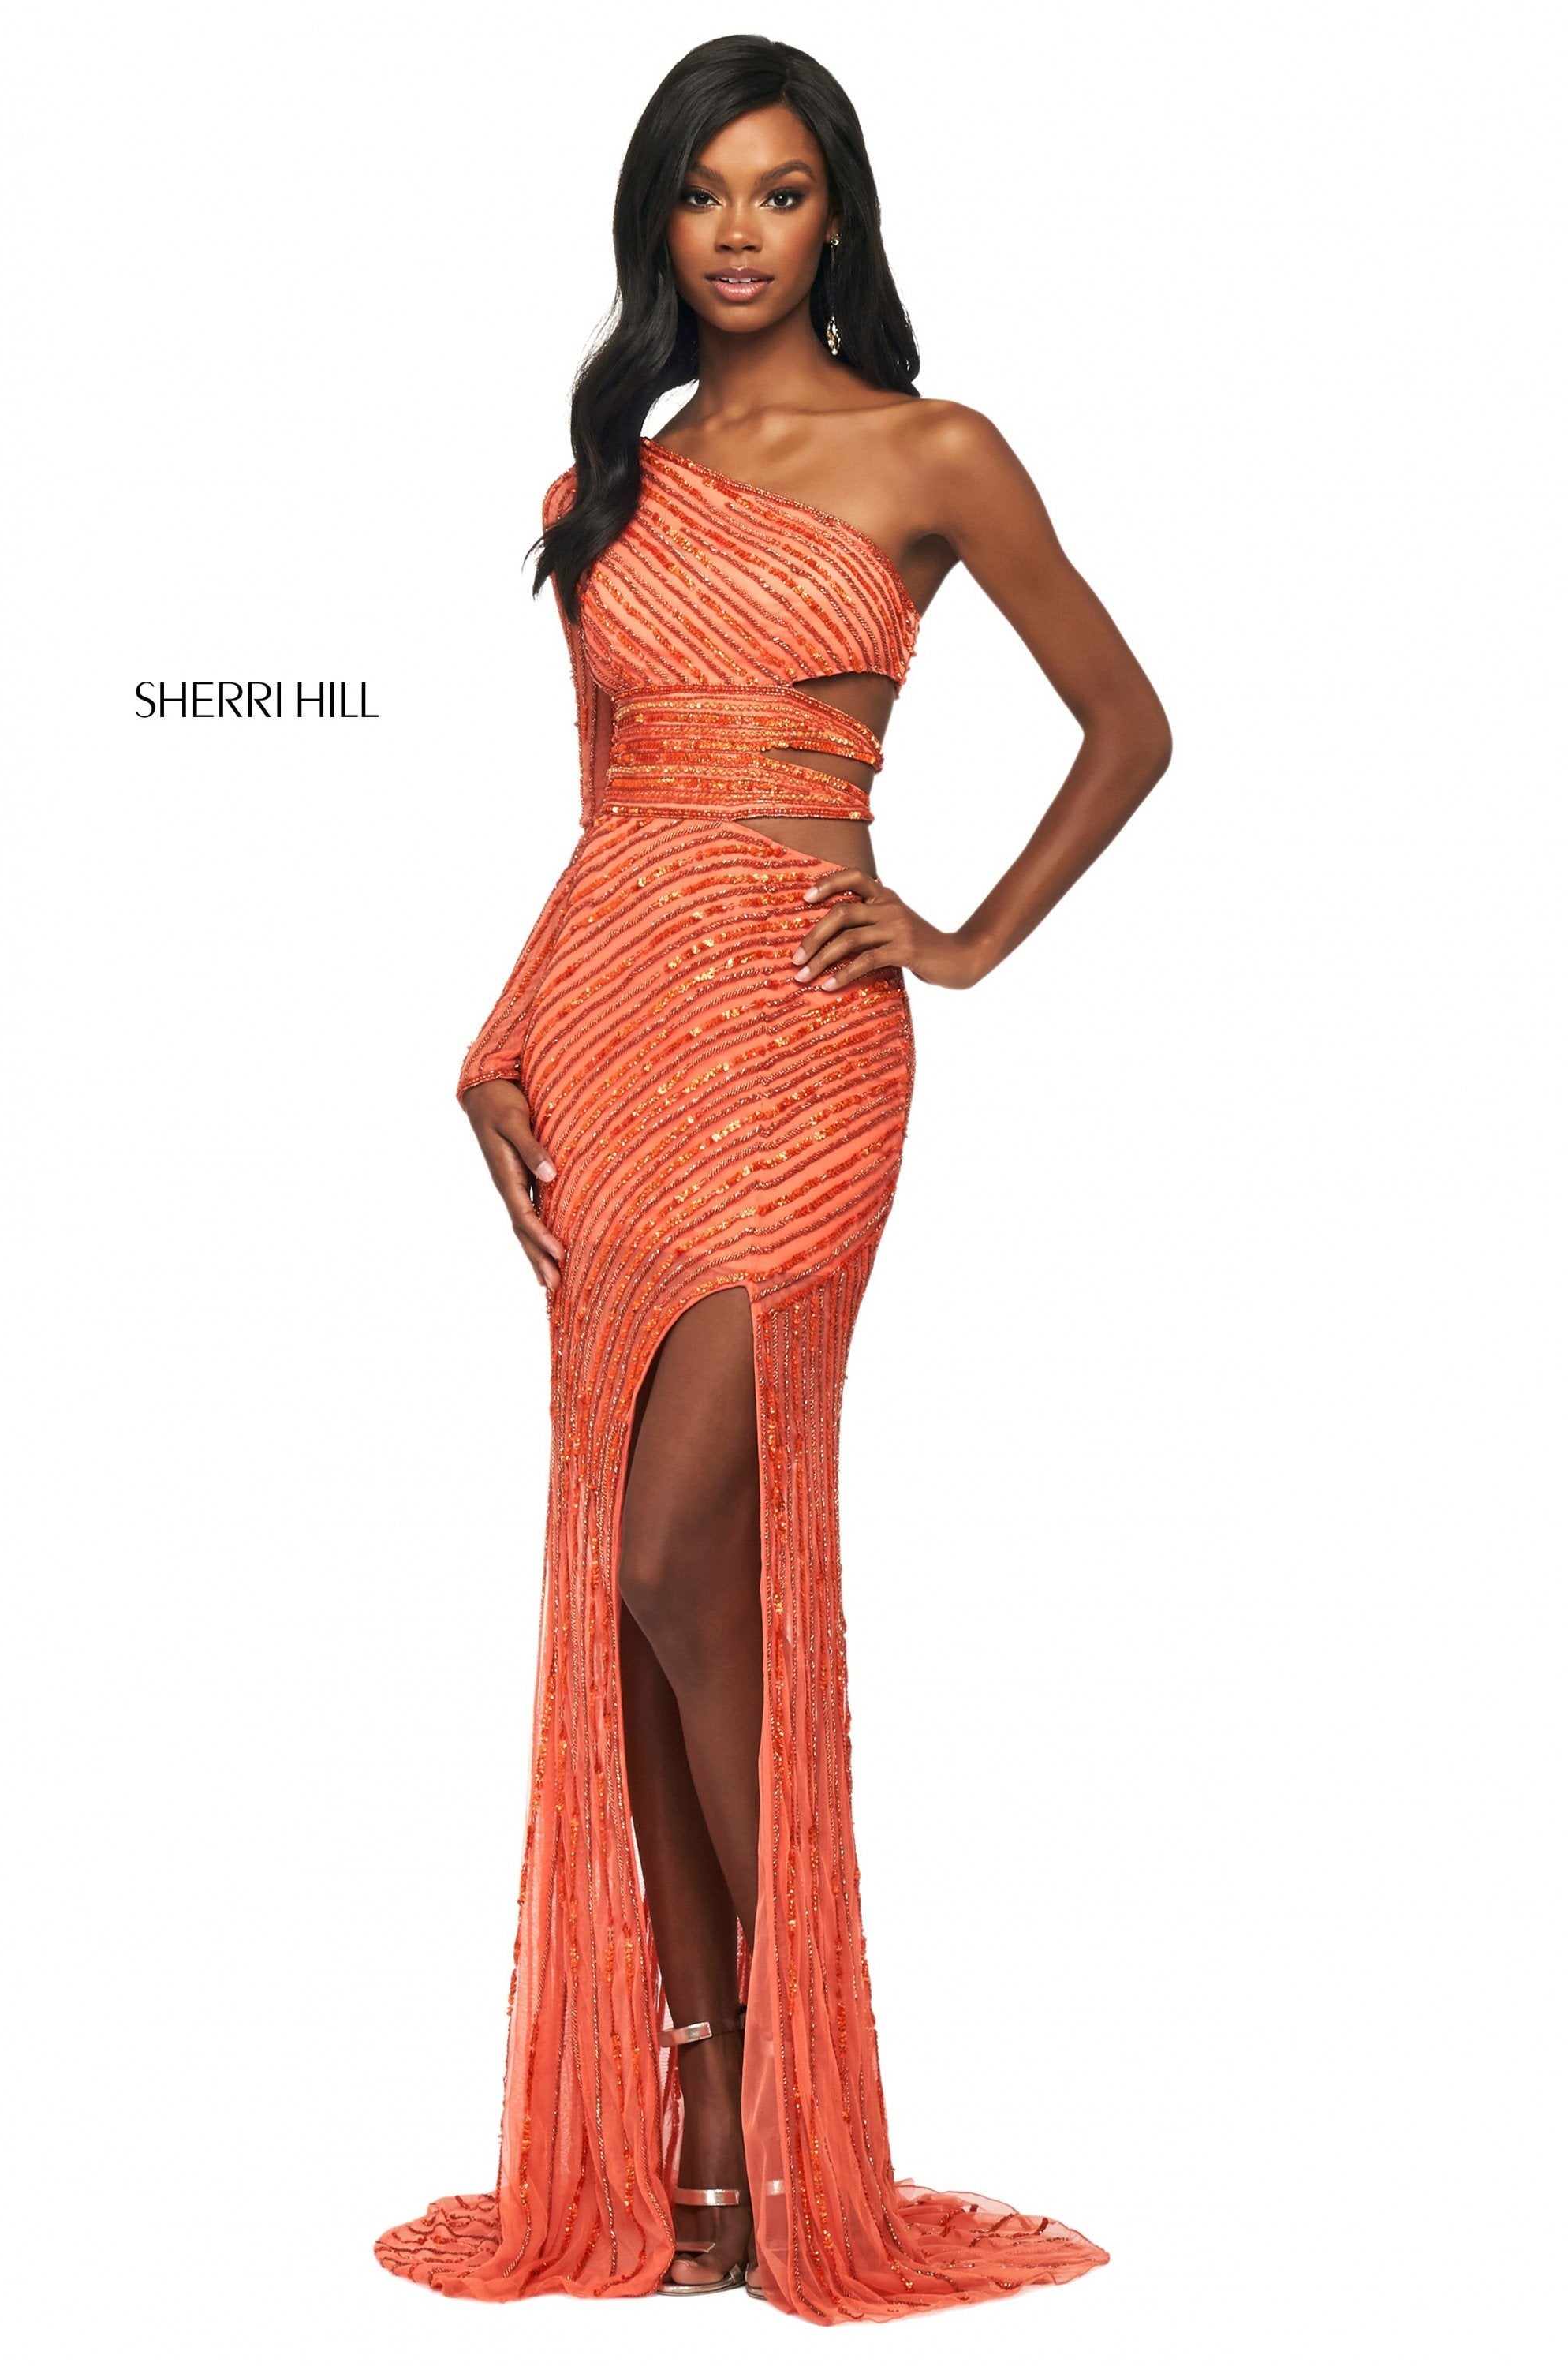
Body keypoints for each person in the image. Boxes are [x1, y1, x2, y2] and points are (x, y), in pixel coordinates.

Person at [375, 32, 1170, 2323]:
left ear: (841, 216)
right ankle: (707, 2117)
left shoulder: (936, 452)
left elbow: (1132, 724)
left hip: (806, 1056)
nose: (740, 230)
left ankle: (783, 2089)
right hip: (614, 1036)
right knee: (640, 1583)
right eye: (706, 191)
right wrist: (498, 1039)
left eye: (783, 189)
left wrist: (965, 938)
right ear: (661, 219)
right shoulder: (607, 484)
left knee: (672, 1544)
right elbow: (603, 813)